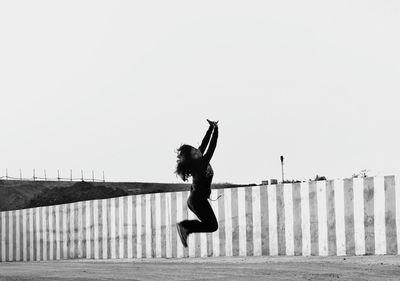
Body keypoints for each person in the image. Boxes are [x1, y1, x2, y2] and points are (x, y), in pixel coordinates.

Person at [175, 119, 219, 247]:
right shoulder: (201, 163)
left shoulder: (198, 158)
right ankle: (184, 226)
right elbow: (212, 147)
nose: (197, 151)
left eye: (196, 149)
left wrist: (211, 128)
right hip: (197, 200)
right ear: (193, 158)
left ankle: (185, 227)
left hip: (197, 200)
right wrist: (216, 131)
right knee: (212, 226)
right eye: (194, 152)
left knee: (211, 225)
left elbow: (204, 144)